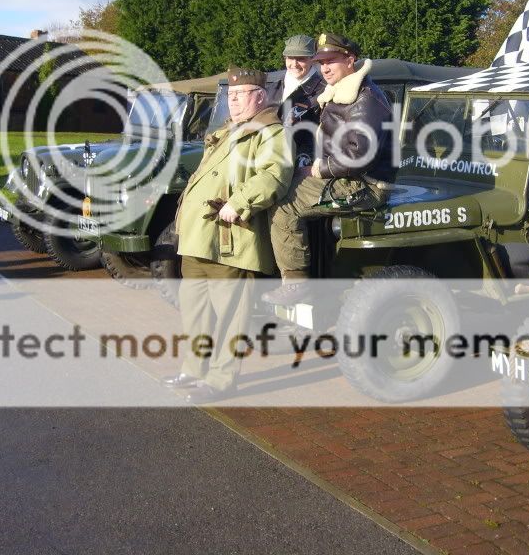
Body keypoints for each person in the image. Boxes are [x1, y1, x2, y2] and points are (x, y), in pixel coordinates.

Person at [162, 66, 293, 403]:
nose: (233, 102)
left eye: (241, 95)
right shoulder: (228, 130)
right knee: (195, 311)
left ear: (260, 97)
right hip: (198, 238)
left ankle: (222, 380)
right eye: (230, 96)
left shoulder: (270, 132)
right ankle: (195, 370)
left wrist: (239, 202)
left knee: (230, 317)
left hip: (230, 239)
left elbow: (275, 174)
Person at [263, 33, 393, 305]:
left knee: (284, 203)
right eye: (320, 62)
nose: (324, 68)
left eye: (331, 61)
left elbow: (360, 155)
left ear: (350, 59)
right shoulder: (342, 91)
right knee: (280, 185)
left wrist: (316, 170)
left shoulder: (364, 98)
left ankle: (296, 282)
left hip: (366, 184)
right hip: (346, 176)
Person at [280, 34, 326, 169]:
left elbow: (322, 134)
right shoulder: (275, 86)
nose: (294, 64)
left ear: (313, 59)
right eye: (290, 58)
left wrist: (305, 161)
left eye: (301, 59)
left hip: (303, 163)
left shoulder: (324, 90)